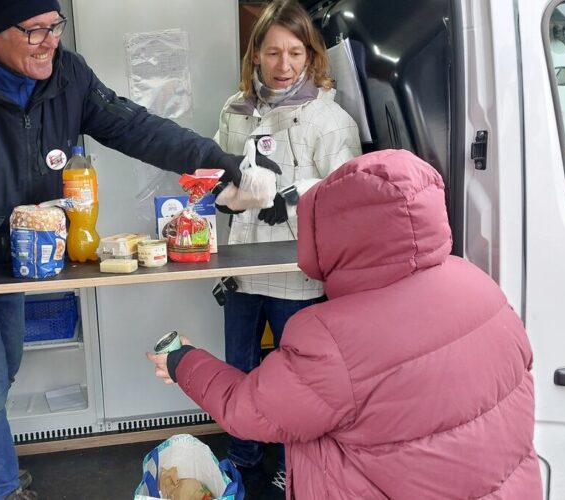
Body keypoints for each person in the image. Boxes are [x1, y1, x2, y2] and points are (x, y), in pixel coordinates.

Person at [0, 1, 279, 499]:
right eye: (35, 30)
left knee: (6, 364)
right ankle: (2, 488)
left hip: (20, 249)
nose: (52, 40)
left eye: (55, 25)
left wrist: (222, 167)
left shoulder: (66, 73)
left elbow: (136, 127)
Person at [148, 150, 543, 499]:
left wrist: (183, 360)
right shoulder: (480, 285)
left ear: (333, 232)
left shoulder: (331, 337)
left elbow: (249, 410)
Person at [212, 0, 361, 491]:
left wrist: (291, 201)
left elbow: (346, 197)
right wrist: (222, 196)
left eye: (294, 53)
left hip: (298, 274)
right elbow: (215, 169)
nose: (283, 66)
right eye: (272, 52)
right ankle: (243, 454)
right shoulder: (235, 110)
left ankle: (292, 461)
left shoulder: (329, 118)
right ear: (255, 55)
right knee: (240, 367)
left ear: (311, 55)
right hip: (241, 268)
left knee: (297, 377)